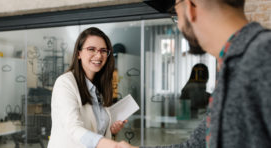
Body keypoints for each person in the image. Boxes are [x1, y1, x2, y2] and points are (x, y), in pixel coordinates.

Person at [120, 0, 271, 147]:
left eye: (176, 14)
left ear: (190, 7)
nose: (178, 25)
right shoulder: (231, 69)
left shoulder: (263, 55)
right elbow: (195, 144)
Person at [48, 27, 127, 148]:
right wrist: (114, 146)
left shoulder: (99, 87)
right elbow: (74, 129)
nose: (98, 55)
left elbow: (94, 129)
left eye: (103, 50)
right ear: (79, 53)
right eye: (91, 49)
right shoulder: (65, 83)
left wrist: (110, 129)